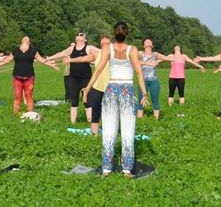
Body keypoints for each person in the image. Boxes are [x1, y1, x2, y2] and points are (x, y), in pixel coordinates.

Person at [82, 22, 150, 177]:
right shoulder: (132, 50)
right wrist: (144, 92)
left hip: (111, 89)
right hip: (127, 90)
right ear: (127, 34)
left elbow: (98, 69)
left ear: (114, 32)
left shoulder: (107, 48)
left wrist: (88, 87)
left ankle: (106, 169)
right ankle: (127, 170)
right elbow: (139, 72)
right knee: (127, 130)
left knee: (108, 130)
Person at [0, 35, 60, 114]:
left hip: (29, 77)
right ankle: (15, 114)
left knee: (29, 96)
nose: (26, 38)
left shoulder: (33, 51)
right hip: (17, 77)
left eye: (27, 38)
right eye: (24, 38)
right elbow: (7, 60)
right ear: (21, 41)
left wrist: (52, 66)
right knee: (17, 96)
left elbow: (42, 60)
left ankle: (30, 114)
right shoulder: (15, 50)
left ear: (29, 43)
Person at [45, 32, 99, 124]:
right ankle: (73, 122)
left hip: (86, 78)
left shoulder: (89, 48)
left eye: (81, 35)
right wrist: (49, 58)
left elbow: (101, 51)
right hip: (73, 78)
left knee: (87, 100)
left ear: (85, 39)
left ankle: (90, 121)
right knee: (74, 100)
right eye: (77, 34)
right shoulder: (71, 48)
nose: (79, 35)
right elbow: (61, 54)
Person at [135, 38, 163, 120]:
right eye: (146, 41)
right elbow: (134, 60)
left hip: (154, 81)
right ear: (143, 45)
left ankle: (156, 120)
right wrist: (147, 63)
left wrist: (159, 61)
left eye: (149, 41)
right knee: (140, 100)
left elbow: (167, 57)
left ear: (152, 45)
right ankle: (140, 119)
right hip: (142, 81)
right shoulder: (140, 53)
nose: (148, 41)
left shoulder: (155, 54)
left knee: (155, 100)